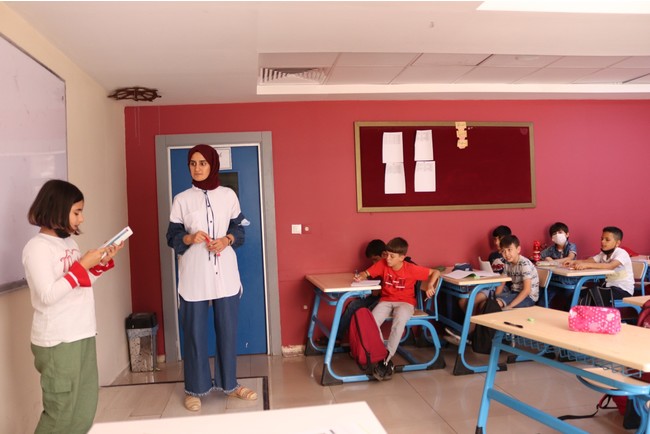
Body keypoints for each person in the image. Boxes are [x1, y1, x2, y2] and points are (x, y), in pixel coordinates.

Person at [22, 179, 123, 434]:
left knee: (84, 409)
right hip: (57, 340)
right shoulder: (37, 248)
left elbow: (79, 283)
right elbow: (47, 295)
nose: (82, 218)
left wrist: (98, 264)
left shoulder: (69, 244)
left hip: (82, 332)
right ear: (57, 209)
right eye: (77, 212)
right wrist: (81, 266)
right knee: (61, 413)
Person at [166, 144, 256, 412]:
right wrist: (190, 237)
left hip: (225, 276)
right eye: (193, 163)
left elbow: (239, 230)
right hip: (194, 277)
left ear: (213, 164)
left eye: (202, 163)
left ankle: (230, 385)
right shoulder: (181, 200)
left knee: (227, 332)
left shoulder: (228, 196)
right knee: (194, 334)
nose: (197, 168)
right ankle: (194, 389)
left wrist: (226, 240)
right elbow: (172, 236)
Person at [353, 237, 440, 381]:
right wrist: (360, 276)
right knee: (371, 321)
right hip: (386, 301)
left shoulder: (410, 269)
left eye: (392, 256)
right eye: (387, 254)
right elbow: (366, 273)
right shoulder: (382, 264)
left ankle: (386, 358)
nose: (388, 259)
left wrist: (430, 285)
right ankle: (381, 353)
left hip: (405, 303)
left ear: (402, 257)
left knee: (399, 320)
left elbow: (435, 272)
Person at [563, 226, 635, 304]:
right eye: (602, 239)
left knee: (593, 297)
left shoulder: (621, 253)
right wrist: (573, 262)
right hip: (606, 287)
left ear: (617, 243)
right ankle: (571, 312)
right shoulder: (603, 254)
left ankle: (591, 312)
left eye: (607, 240)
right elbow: (589, 261)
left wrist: (586, 265)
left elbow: (610, 266)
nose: (603, 242)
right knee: (574, 295)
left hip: (622, 290)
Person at [336, 239, 387, 341]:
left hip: (388, 299)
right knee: (353, 305)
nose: (374, 263)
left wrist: (381, 290)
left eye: (375, 259)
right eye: (372, 260)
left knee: (366, 311)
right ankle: (337, 338)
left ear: (384, 254)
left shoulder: (394, 265)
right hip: (377, 296)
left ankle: (364, 342)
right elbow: (368, 276)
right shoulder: (377, 267)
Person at [492, 234, 539, 309]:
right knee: (490, 301)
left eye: (509, 250)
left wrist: (510, 306)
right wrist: (495, 296)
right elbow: (502, 282)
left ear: (518, 249)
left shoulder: (524, 264)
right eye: (503, 251)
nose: (506, 254)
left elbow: (527, 290)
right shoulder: (507, 263)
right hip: (514, 293)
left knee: (496, 304)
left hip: (528, 297)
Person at [540, 222, 579, 307]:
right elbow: (541, 256)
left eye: (560, 232)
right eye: (554, 233)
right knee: (543, 296)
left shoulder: (571, 246)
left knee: (570, 299)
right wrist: (547, 259)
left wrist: (553, 262)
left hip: (569, 280)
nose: (557, 235)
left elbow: (570, 258)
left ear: (567, 234)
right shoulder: (551, 249)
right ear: (552, 238)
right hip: (555, 279)